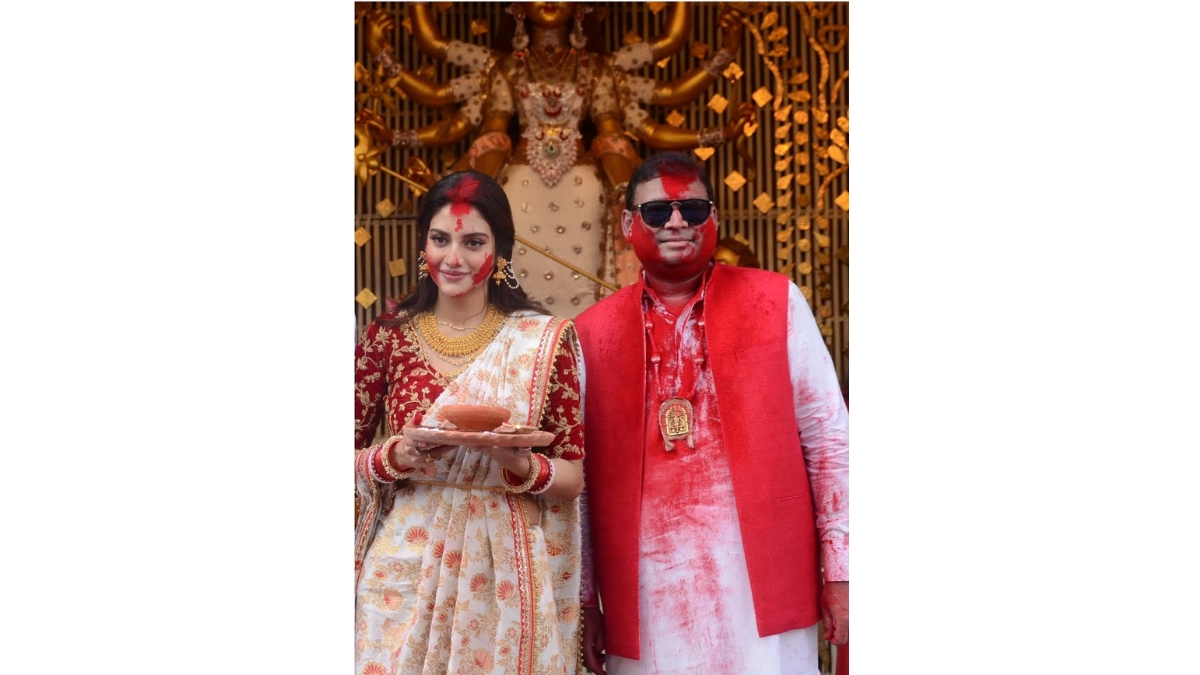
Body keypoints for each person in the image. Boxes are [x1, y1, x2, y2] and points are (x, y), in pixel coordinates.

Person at [573, 152, 849, 674]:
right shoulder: (591, 332)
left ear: (715, 218)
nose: (676, 222)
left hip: (764, 590)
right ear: (628, 223)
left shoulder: (777, 301)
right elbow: (580, 484)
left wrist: (842, 572)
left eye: (693, 209)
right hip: (646, 599)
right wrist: (586, 601)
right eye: (657, 212)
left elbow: (830, 442)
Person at [361, 2, 755, 317]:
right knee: (518, 290)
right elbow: (458, 113)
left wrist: (716, 132)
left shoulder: (598, 68)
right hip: (518, 189)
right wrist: (461, 187)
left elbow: (653, 112)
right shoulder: (505, 67)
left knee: (585, 292)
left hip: (584, 193)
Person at [353, 170, 588, 675]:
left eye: (473, 242)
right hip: (402, 569)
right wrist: (395, 456)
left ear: (500, 251)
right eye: (440, 239)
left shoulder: (542, 341)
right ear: (423, 245)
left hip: (503, 569)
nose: (453, 257)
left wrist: (518, 464)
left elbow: (573, 476)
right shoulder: (387, 337)